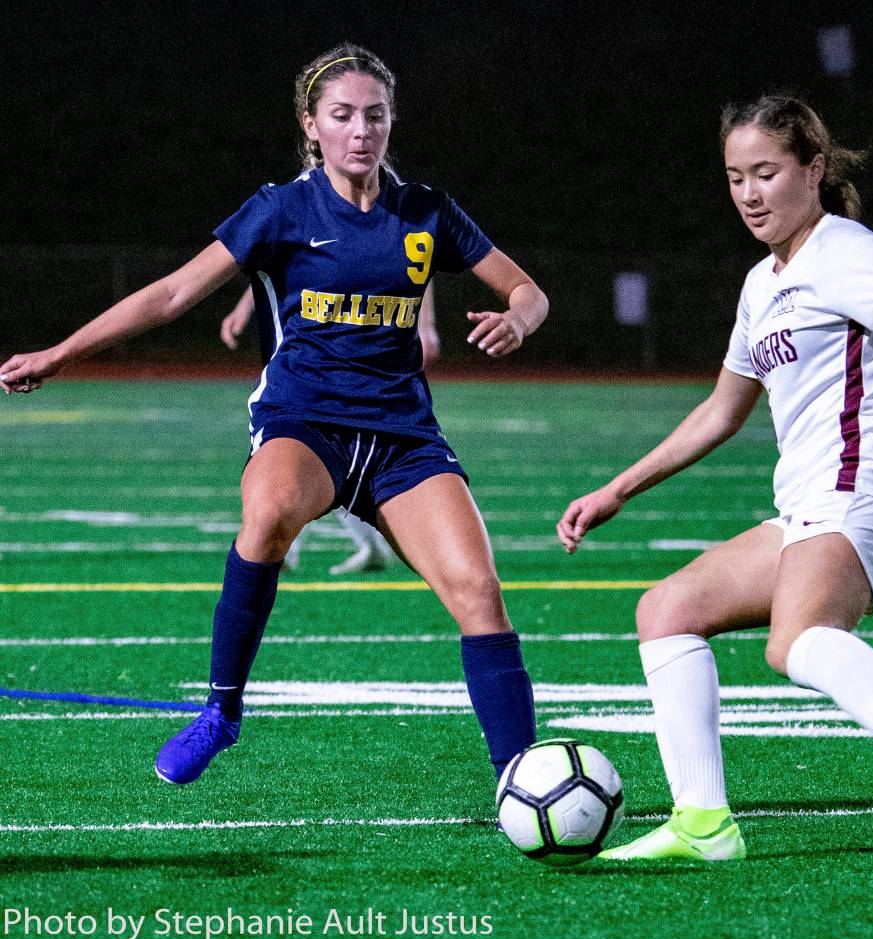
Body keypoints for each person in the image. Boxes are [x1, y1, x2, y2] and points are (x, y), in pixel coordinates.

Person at [1, 43, 548, 790]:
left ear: (392, 124)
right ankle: (221, 713)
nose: (361, 131)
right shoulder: (281, 209)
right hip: (306, 421)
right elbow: (169, 295)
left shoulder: (426, 212)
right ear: (312, 125)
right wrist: (62, 352)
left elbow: (528, 290)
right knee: (267, 516)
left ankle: (522, 778)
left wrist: (519, 319)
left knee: (479, 594)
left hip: (404, 441)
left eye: (376, 116)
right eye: (343, 116)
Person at [556, 95, 873, 863]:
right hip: (812, 504)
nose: (750, 194)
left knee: (797, 641)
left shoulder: (843, 249)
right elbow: (722, 410)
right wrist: (617, 489)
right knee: (668, 610)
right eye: (735, 177)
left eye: (767, 173)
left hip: (869, 489)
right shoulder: (763, 284)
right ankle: (703, 824)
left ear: (813, 170)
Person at [220, 278, 441, 573]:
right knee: (307, 452)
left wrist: (425, 323)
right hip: (304, 353)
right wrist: (245, 306)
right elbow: (275, 254)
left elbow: (417, 255)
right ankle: (291, 543)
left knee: (324, 448)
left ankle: (285, 545)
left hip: (351, 351)